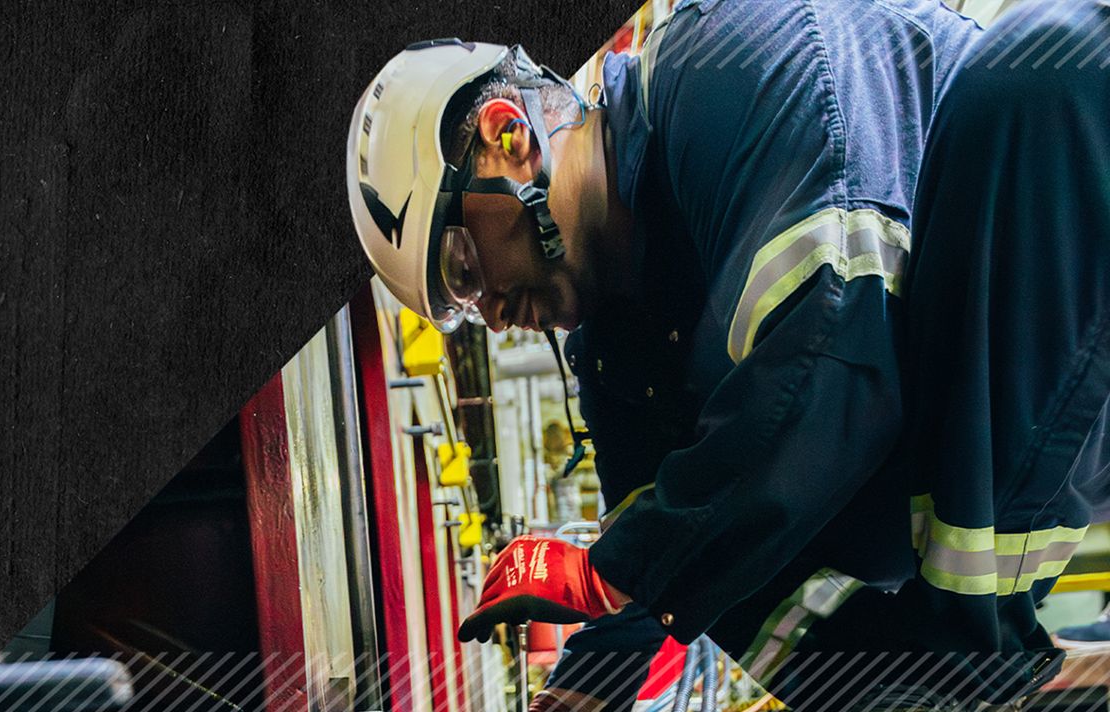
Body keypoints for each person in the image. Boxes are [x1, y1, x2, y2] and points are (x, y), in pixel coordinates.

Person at [339, 1, 1066, 709]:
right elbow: (657, 536)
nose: (492, 317)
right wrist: (586, 685)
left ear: (507, 136)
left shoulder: (736, 62)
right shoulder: (615, 349)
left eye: (466, 269)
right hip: (979, 464)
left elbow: (836, 350)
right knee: (708, 579)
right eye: (466, 311)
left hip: (1049, 267)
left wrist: (611, 573)